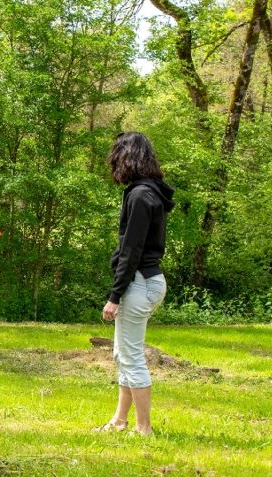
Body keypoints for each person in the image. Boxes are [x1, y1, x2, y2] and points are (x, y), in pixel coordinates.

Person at [96, 132, 175, 436]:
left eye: (117, 154)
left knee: (130, 356)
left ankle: (144, 428)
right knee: (123, 354)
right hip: (147, 281)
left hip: (140, 282)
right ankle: (119, 420)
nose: (113, 160)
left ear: (128, 157)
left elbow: (132, 250)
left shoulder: (141, 195)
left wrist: (115, 295)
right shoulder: (148, 191)